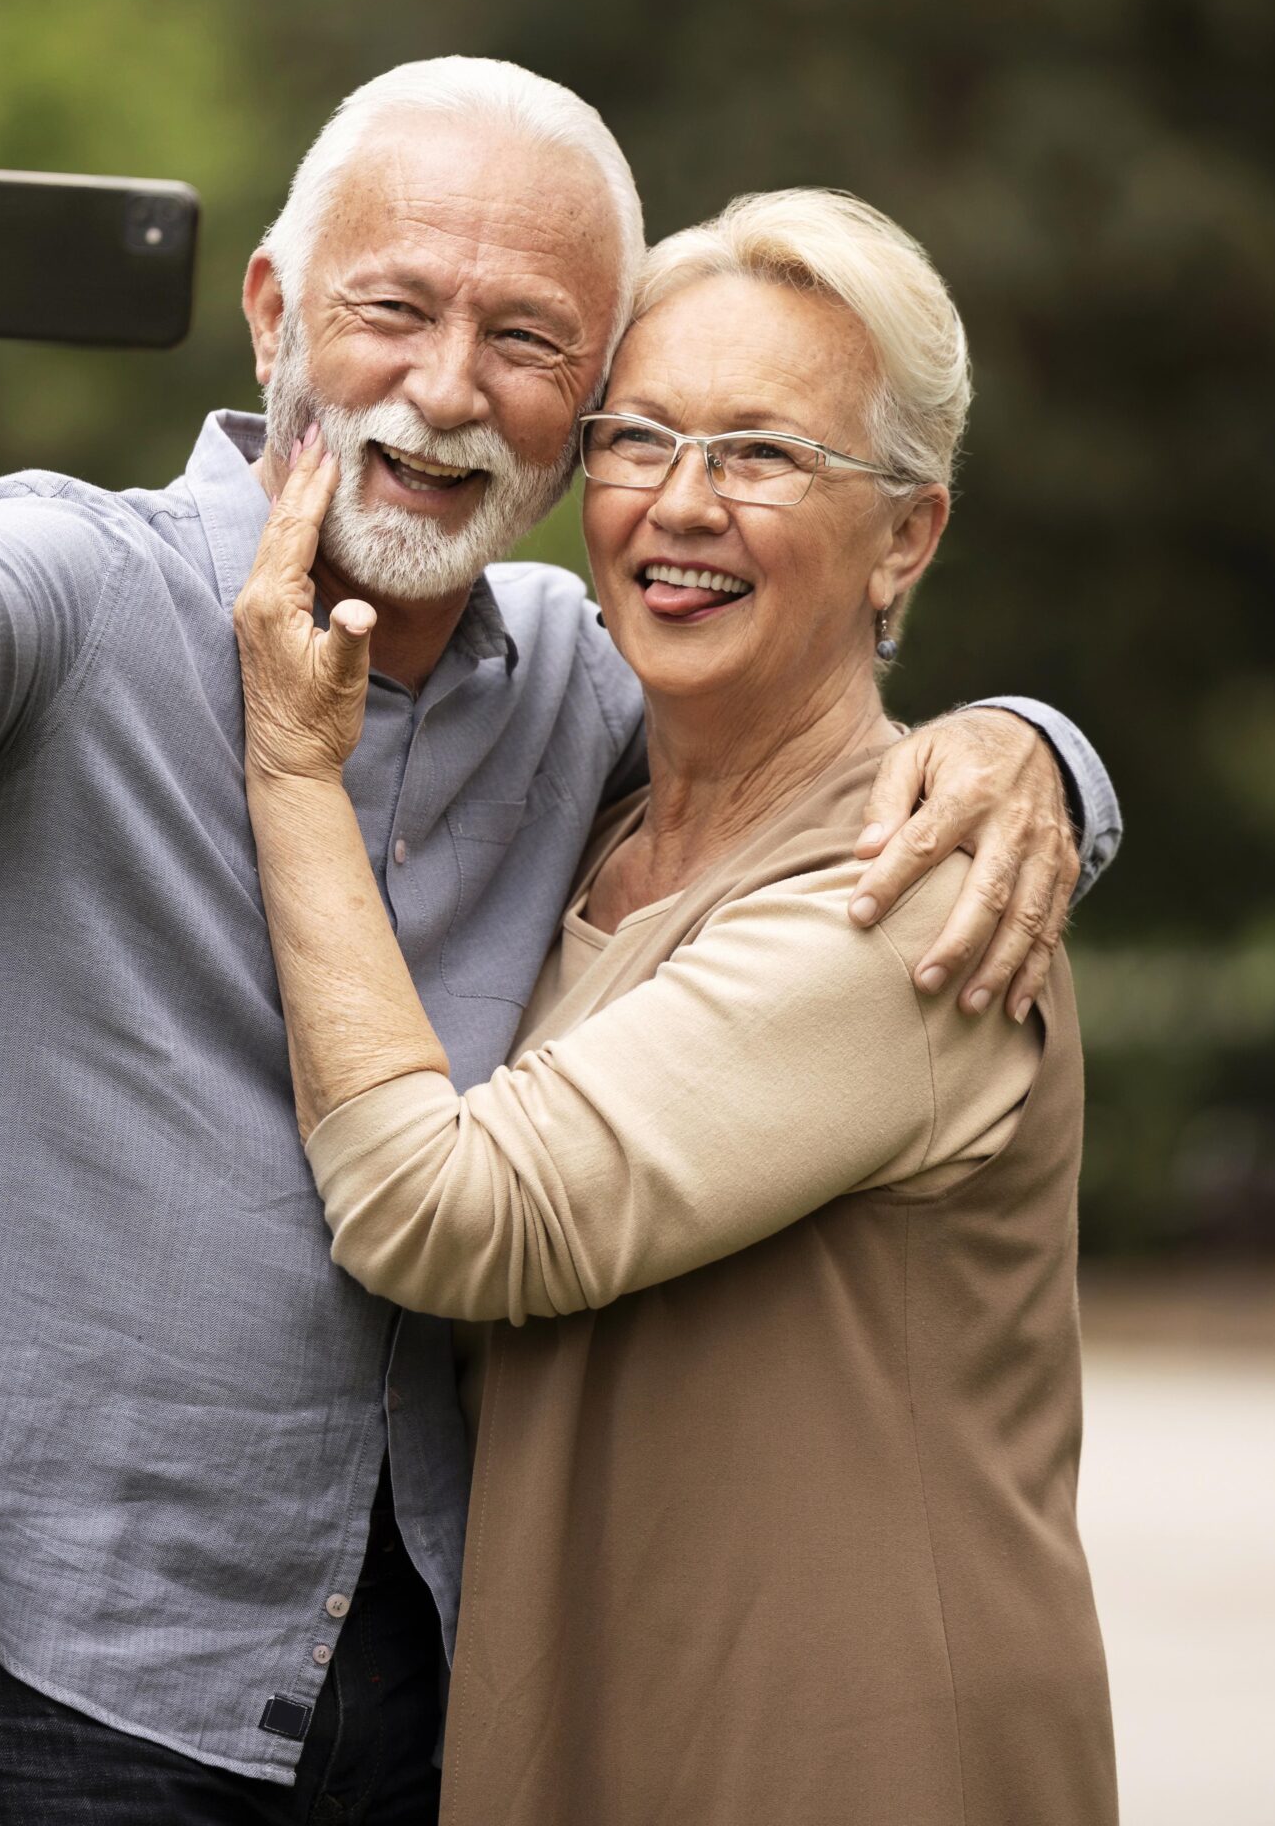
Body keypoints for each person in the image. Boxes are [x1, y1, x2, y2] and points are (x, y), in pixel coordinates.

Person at [0, 60, 1117, 1820]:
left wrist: (1031, 746)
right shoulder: (70, 590)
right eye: (395, 309)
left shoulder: (588, 687)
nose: (446, 390)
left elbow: (806, 744)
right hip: (55, 1660)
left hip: (415, 1669)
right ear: (274, 312)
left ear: (573, 394)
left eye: (526, 340)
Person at [234, 186, 1117, 1824]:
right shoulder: (605, 833)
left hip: (848, 1752)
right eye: (638, 439)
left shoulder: (908, 894)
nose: (681, 506)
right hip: (593, 1715)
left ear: (908, 534)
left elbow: (446, 1212)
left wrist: (293, 763)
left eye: (766, 456)